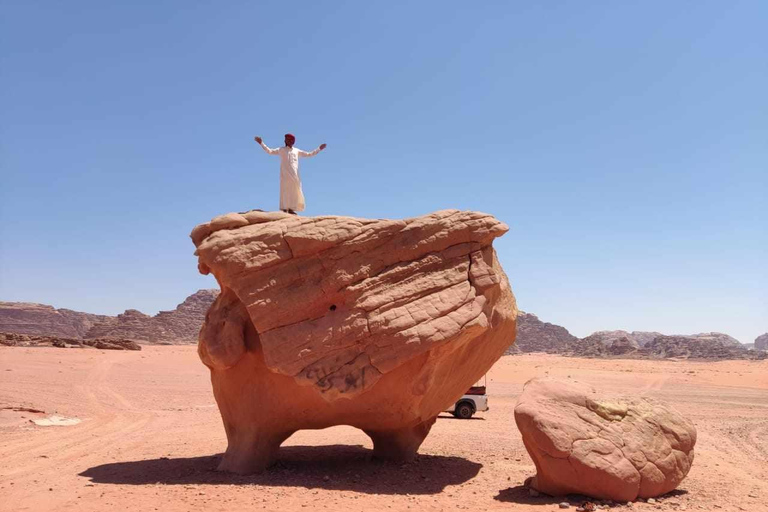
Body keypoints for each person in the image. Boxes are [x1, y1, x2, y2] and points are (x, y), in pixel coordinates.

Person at [254, 133, 327, 214]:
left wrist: (319, 149)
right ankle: (285, 208)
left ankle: (292, 209)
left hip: (295, 175)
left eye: (291, 140)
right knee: (285, 191)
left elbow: (309, 154)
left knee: (295, 191)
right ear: (285, 140)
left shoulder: (297, 151)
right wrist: (261, 143)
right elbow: (270, 151)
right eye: (288, 140)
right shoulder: (281, 150)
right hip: (285, 175)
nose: (290, 141)